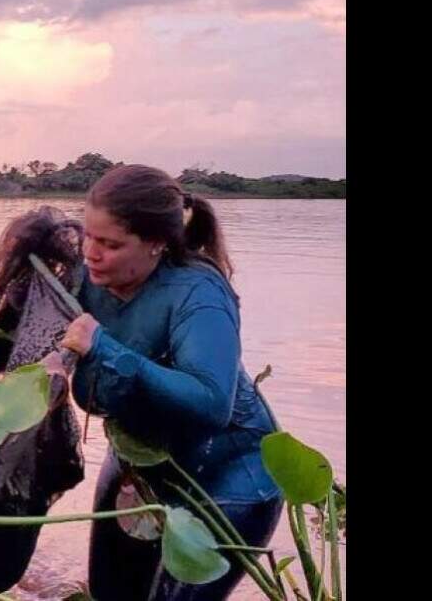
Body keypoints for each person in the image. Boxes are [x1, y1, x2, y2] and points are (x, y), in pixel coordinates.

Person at [53, 164, 283, 600]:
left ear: (156, 244)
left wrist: (104, 348)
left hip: (229, 474)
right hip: (141, 459)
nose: (90, 253)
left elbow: (213, 402)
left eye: (110, 244)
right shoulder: (87, 275)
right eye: (88, 236)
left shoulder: (198, 293)